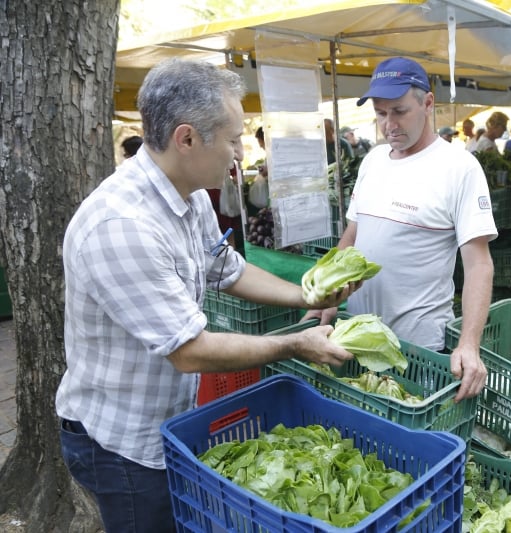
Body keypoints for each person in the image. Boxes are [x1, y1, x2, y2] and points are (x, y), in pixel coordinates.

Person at [55, 58, 358, 533]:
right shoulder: (122, 228)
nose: (240, 152)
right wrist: (296, 344)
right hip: (121, 444)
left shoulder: (190, 192)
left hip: (167, 420)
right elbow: (191, 350)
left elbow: (226, 269)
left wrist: (307, 296)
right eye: (234, 138)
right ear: (187, 139)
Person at [306, 56, 496, 402]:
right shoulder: (373, 161)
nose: (389, 124)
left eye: (399, 111)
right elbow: (353, 235)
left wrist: (469, 344)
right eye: (380, 113)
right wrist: (328, 295)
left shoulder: (459, 168)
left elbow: (479, 264)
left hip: (417, 348)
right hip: (357, 338)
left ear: (427, 103)